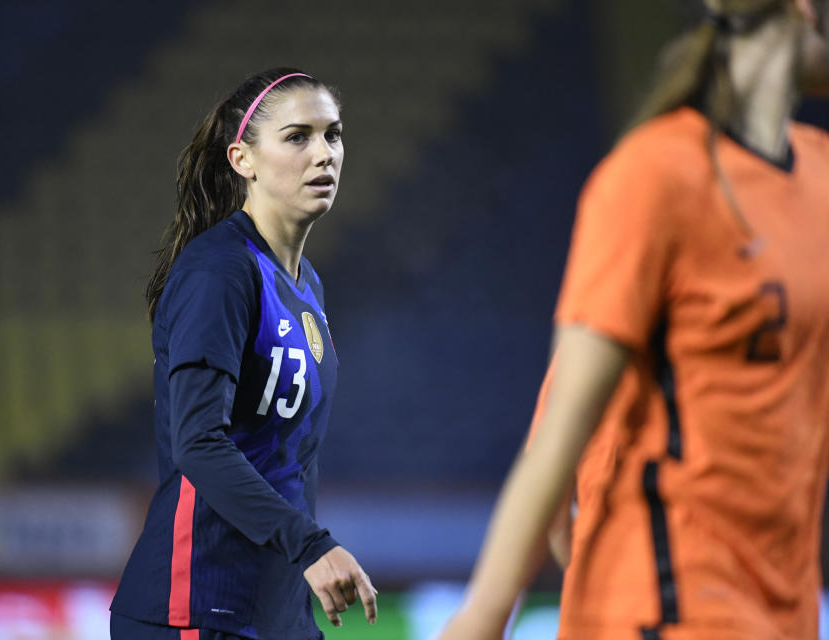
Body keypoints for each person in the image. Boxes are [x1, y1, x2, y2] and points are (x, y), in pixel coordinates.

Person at [441, 1, 829, 638]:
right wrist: (485, 613)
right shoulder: (654, 176)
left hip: (783, 615)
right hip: (666, 608)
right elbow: (560, 429)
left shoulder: (814, 177)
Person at [110, 68, 377, 640]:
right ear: (243, 160)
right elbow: (198, 443)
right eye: (297, 136)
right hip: (197, 607)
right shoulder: (220, 271)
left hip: (275, 614)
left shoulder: (307, 286)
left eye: (333, 134)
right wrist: (311, 544)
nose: (324, 153)